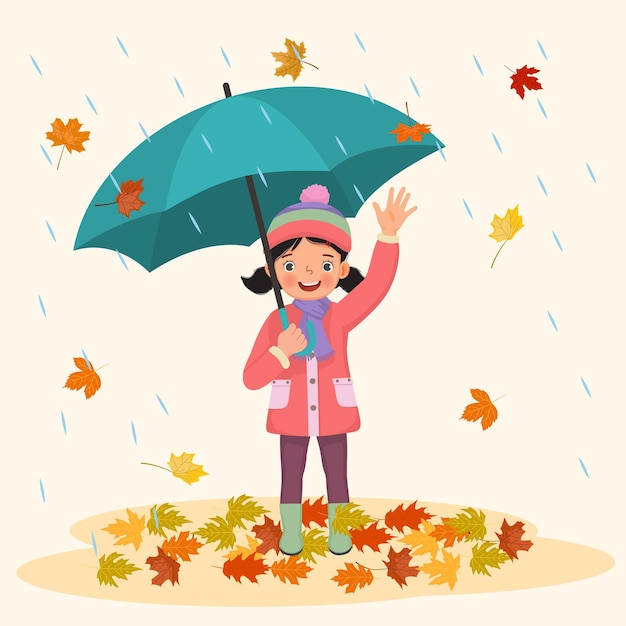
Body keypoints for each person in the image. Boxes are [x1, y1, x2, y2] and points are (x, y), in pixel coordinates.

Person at [242, 183, 417, 555]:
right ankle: (292, 533)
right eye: (290, 265)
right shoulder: (278, 322)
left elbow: (375, 289)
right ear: (273, 270)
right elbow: (251, 378)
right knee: (291, 476)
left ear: (340, 269)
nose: (307, 274)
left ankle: (340, 530)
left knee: (337, 475)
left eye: (322, 264)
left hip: (334, 413)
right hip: (290, 416)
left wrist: (388, 236)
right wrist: (279, 352)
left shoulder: (339, 316)